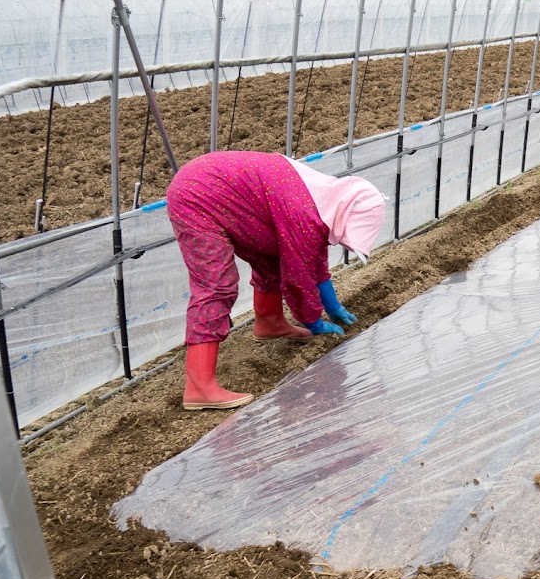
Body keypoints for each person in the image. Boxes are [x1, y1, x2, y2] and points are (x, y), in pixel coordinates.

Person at [165, 151, 386, 411]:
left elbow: (312, 257)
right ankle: (199, 387)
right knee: (216, 285)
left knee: (271, 257)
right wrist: (313, 321)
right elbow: (298, 276)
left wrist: (333, 305)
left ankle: (270, 323)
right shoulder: (304, 212)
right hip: (199, 194)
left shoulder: (322, 201)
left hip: (218, 187)